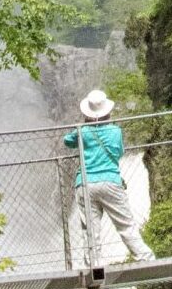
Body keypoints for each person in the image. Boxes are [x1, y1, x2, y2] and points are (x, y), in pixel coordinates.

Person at [62, 90, 155, 269]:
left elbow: (67, 141)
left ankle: (94, 265)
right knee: (125, 224)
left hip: (86, 183)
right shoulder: (115, 131)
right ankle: (145, 258)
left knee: (90, 229)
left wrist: (82, 127)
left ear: (87, 113)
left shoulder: (83, 131)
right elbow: (119, 152)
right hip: (111, 182)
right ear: (107, 111)